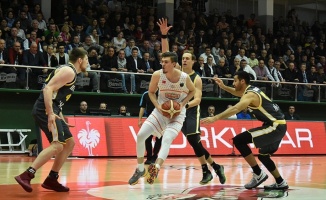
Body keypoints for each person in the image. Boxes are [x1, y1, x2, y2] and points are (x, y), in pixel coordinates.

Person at [157, 18, 226, 185]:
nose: (184, 60)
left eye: (188, 58)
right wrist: (164, 36)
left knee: (195, 141)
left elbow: (198, 99)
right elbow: (166, 56)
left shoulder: (196, 78)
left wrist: (183, 105)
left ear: (194, 61)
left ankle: (207, 171)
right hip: (177, 112)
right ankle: (215, 167)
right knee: (195, 143)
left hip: (190, 111)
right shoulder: (178, 72)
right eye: (183, 58)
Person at [15, 48, 89, 192]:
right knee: (58, 145)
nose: (88, 63)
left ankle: (51, 179)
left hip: (53, 110)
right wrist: (49, 113)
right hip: (45, 109)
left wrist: (60, 118)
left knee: (69, 143)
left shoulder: (69, 72)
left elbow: (55, 97)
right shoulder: (69, 71)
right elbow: (47, 89)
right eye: (87, 59)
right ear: (80, 60)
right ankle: (27, 175)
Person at [201, 71, 289, 190]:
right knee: (263, 156)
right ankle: (280, 182)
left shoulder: (250, 95)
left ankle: (258, 173)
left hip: (275, 126)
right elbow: (238, 93)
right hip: (279, 125)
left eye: (235, 80)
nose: (233, 83)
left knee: (239, 140)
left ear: (242, 81)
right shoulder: (250, 90)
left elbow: (237, 107)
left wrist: (215, 118)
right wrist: (223, 87)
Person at [128, 51, 196, 185]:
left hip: (177, 114)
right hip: (160, 111)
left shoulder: (184, 77)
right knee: (141, 136)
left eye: (166, 62)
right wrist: (158, 106)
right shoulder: (157, 75)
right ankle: (140, 169)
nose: (162, 64)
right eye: (162, 61)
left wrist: (182, 104)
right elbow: (151, 93)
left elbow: (193, 91)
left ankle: (156, 167)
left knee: (167, 139)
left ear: (174, 64)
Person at [138, 91, 162, 165]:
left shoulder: (163, 93)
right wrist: (139, 120)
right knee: (147, 139)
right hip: (150, 119)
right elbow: (142, 107)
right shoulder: (146, 94)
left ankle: (155, 157)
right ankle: (149, 157)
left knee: (159, 139)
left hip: (161, 120)